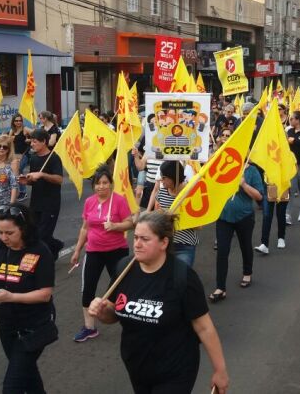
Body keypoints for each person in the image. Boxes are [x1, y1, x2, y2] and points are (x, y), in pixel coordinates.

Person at [88, 212, 229, 394]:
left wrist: (220, 370)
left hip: (175, 370)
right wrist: (102, 311)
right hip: (137, 367)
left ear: (164, 243)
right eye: (136, 237)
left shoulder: (183, 277)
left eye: (145, 239)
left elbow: (204, 328)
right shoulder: (125, 268)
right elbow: (114, 314)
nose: (137, 244)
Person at [0, 204, 56, 394]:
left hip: (33, 328)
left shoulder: (40, 251)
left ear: (23, 229)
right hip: (6, 326)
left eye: (9, 233)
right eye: (0, 232)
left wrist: (11, 297)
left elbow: (45, 294)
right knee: (28, 376)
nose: (4, 237)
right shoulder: (0, 247)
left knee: (12, 387)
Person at [70, 165, 134, 342]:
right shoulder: (89, 202)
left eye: (105, 183)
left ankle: (129, 323)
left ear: (111, 184)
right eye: (98, 183)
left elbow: (130, 223)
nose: (101, 187)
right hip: (93, 251)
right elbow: (85, 228)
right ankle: (89, 327)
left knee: (121, 289)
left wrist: (115, 226)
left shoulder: (119, 201)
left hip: (117, 251)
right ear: (94, 186)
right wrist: (77, 250)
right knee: (87, 289)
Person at [209, 164, 264, 303]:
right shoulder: (223, 165)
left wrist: (244, 185)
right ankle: (220, 288)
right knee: (222, 250)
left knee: (245, 246)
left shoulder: (252, 171)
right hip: (223, 217)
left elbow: (259, 196)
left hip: (244, 217)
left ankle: (247, 273)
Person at [21, 129, 64, 260]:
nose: (32, 144)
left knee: (43, 235)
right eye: (31, 141)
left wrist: (42, 175)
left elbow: (59, 179)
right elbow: (35, 180)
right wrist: (26, 181)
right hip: (36, 203)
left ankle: (42, 262)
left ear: (44, 142)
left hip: (50, 204)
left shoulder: (54, 158)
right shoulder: (33, 159)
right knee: (34, 232)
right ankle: (56, 245)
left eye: (34, 142)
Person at [154, 160, 198, 267]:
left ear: (173, 176)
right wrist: (160, 215)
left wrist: (174, 215)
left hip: (185, 245)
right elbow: (156, 217)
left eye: (164, 177)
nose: (161, 180)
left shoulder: (191, 192)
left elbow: (198, 225)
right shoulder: (162, 192)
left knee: (181, 279)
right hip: (164, 244)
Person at [8, 114, 31, 199]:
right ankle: (15, 191)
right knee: (13, 173)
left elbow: (37, 134)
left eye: (20, 120)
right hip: (14, 155)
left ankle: (23, 192)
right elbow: (8, 142)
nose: (18, 122)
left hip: (24, 155)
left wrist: (29, 139)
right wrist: (9, 139)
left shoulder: (25, 129)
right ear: (13, 122)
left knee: (19, 170)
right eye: (16, 121)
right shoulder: (12, 131)